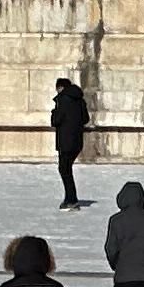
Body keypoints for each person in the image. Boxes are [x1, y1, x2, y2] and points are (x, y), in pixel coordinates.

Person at [50, 74, 90, 209]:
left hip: (65, 141)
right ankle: (70, 198)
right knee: (67, 169)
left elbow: (56, 121)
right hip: (77, 141)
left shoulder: (63, 100)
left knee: (64, 169)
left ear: (60, 87)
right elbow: (86, 119)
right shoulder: (80, 100)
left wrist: (54, 112)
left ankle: (71, 199)